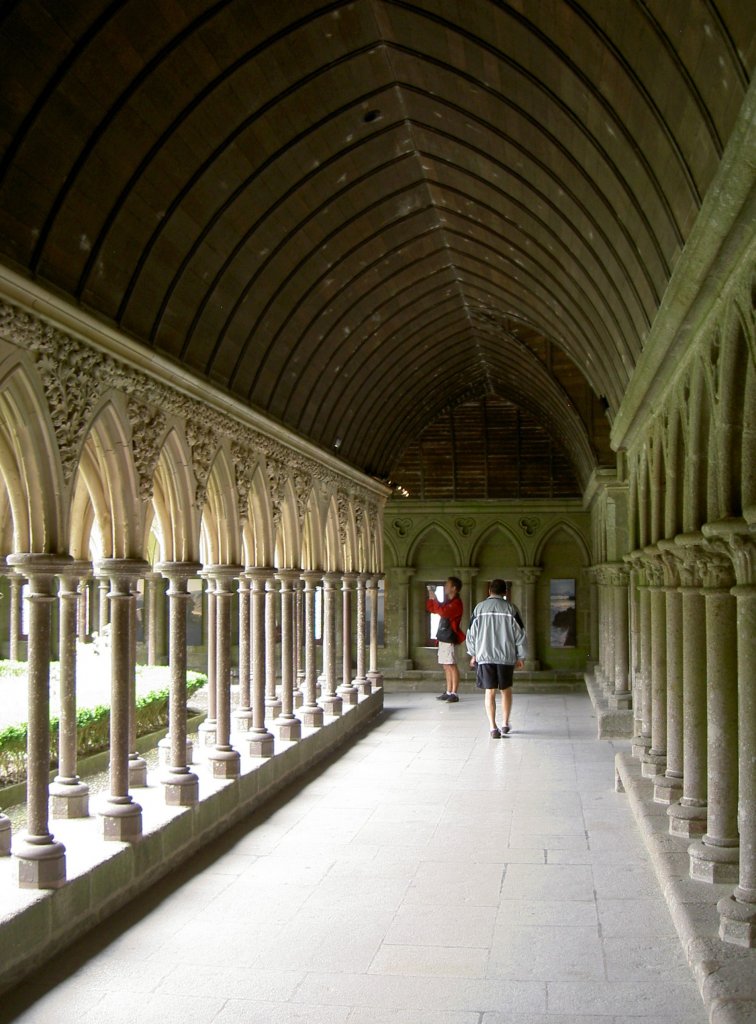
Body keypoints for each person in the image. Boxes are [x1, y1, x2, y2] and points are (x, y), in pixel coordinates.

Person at [466, 578, 526, 737]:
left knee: (489, 691)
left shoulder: (479, 608)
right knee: (505, 690)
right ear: (505, 592)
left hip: (484, 656)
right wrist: (520, 655)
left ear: (489, 591)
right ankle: (505, 723)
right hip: (506, 656)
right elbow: (520, 634)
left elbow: (471, 633)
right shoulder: (511, 609)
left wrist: (473, 653)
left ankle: (493, 727)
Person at [425, 576, 465, 703]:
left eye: (448, 585)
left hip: (449, 637)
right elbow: (432, 608)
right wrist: (432, 598)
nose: (446, 587)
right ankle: (448, 691)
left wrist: (434, 598)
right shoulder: (449, 601)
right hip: (443, 636)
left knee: (451, 665)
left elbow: (443, 612)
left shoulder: (456, 603)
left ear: (454, 588)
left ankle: (454, 693)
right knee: (446, 665)